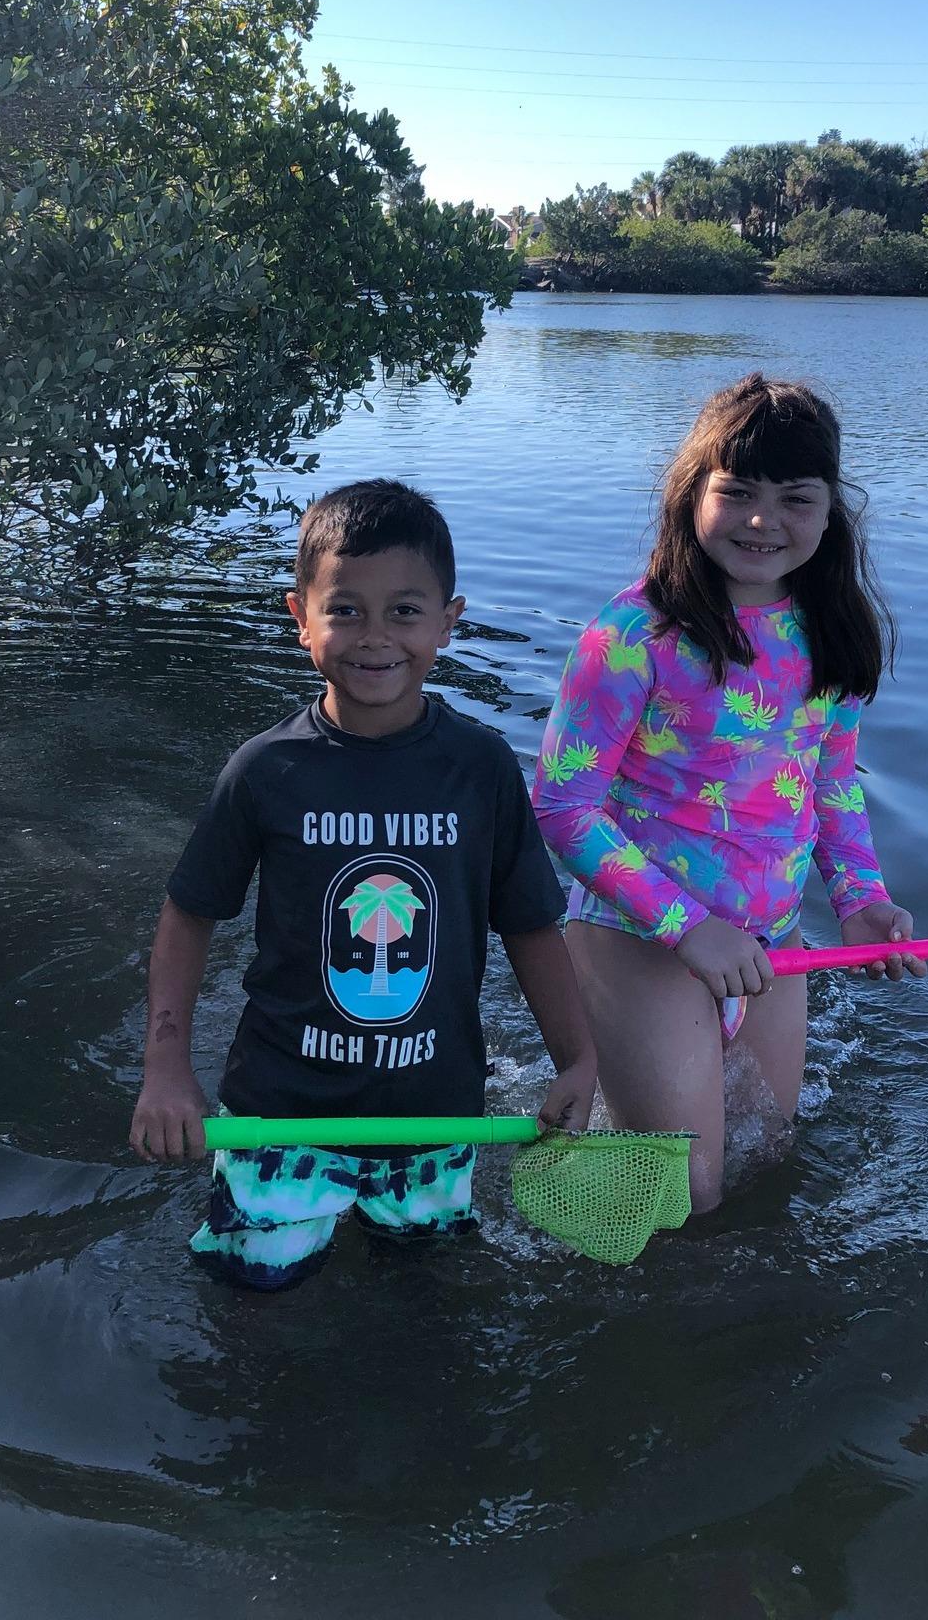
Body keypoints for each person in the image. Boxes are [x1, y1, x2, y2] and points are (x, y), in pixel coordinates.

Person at [130, 479, 596, 1290]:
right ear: (300, 617)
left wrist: (578, 1060)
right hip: (281, 1115)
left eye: (404, 611)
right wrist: (166, 1071)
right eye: (344, 610)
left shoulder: (481, 768)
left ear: (448, 621)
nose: (375, 637)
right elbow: (188, 914)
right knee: (251, 1302)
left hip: (433, 1116)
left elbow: (530, 926)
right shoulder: (265, 769)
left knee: (425, 1297)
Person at [532, 373, 923, 1214]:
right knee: (689, 1197)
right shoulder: (634, 633)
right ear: (692, 493)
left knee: (766, 1160)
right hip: (640, 939)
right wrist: (687, 926)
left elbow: (831, 784)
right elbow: (563, 808)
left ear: (831, 511)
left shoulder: (833, 632)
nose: (761, 520)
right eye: (737, 491)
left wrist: (861, 899)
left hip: (770, 945)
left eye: (795, 498)